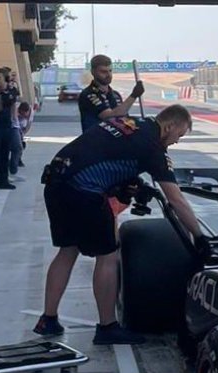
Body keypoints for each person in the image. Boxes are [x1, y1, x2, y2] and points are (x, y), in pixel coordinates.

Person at [35, 105, 205, 345]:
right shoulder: (153, 148)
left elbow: (103, 151)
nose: (177, 141)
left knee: (68, 250)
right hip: (84, 191)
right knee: (108, 256)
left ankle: (48, 319)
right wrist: (199, 236)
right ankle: (107, 327)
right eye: (179, 135)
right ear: (169, 127)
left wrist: (126, 181)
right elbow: (176, 199)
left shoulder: (129, 123)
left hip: (56, 182)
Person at [78, 54, 144, 133]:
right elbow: (109, 116)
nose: (108, 75)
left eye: (110, 71)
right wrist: (134, 95)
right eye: (103, 72)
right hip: (96, 139)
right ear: (93, 72)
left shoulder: (115, 95)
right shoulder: (88, 94)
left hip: (115, 139)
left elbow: (124, 119)